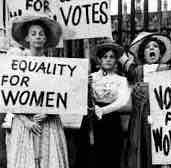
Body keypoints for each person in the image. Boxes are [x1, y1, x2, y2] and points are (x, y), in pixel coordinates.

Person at [4, 15, 69, 168]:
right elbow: (8, 95)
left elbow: (62, 95)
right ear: (27, 37)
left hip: (48, 122)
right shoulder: (18, 63)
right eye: (33, 34)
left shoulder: (54, 66)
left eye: (41, 34)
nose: (38, 37)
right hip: (24, 123)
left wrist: (49, 112)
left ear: (46, 38)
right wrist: (25, 121)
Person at [119, 32, 171, 168]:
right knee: (138, 144)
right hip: (139, 118)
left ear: (160, 53)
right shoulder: (137, 71)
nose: (151, 49)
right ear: (143, 54)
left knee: (157, 145)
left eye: (155, 46)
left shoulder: (167, 69)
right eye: (147, 47)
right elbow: (122, 58)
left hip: (160, 116)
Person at [76, 40, 131, 168]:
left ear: (116, 60)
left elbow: (122, 101)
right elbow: (77, 96)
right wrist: (85, 86)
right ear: (99, 60)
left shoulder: (121, 80)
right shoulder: (90, 77)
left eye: (112, 57)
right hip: (91, 119)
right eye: (105, 57)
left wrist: (103, 111)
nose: (108, 60)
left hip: (111, 120)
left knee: (110, 155)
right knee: (89, 154)